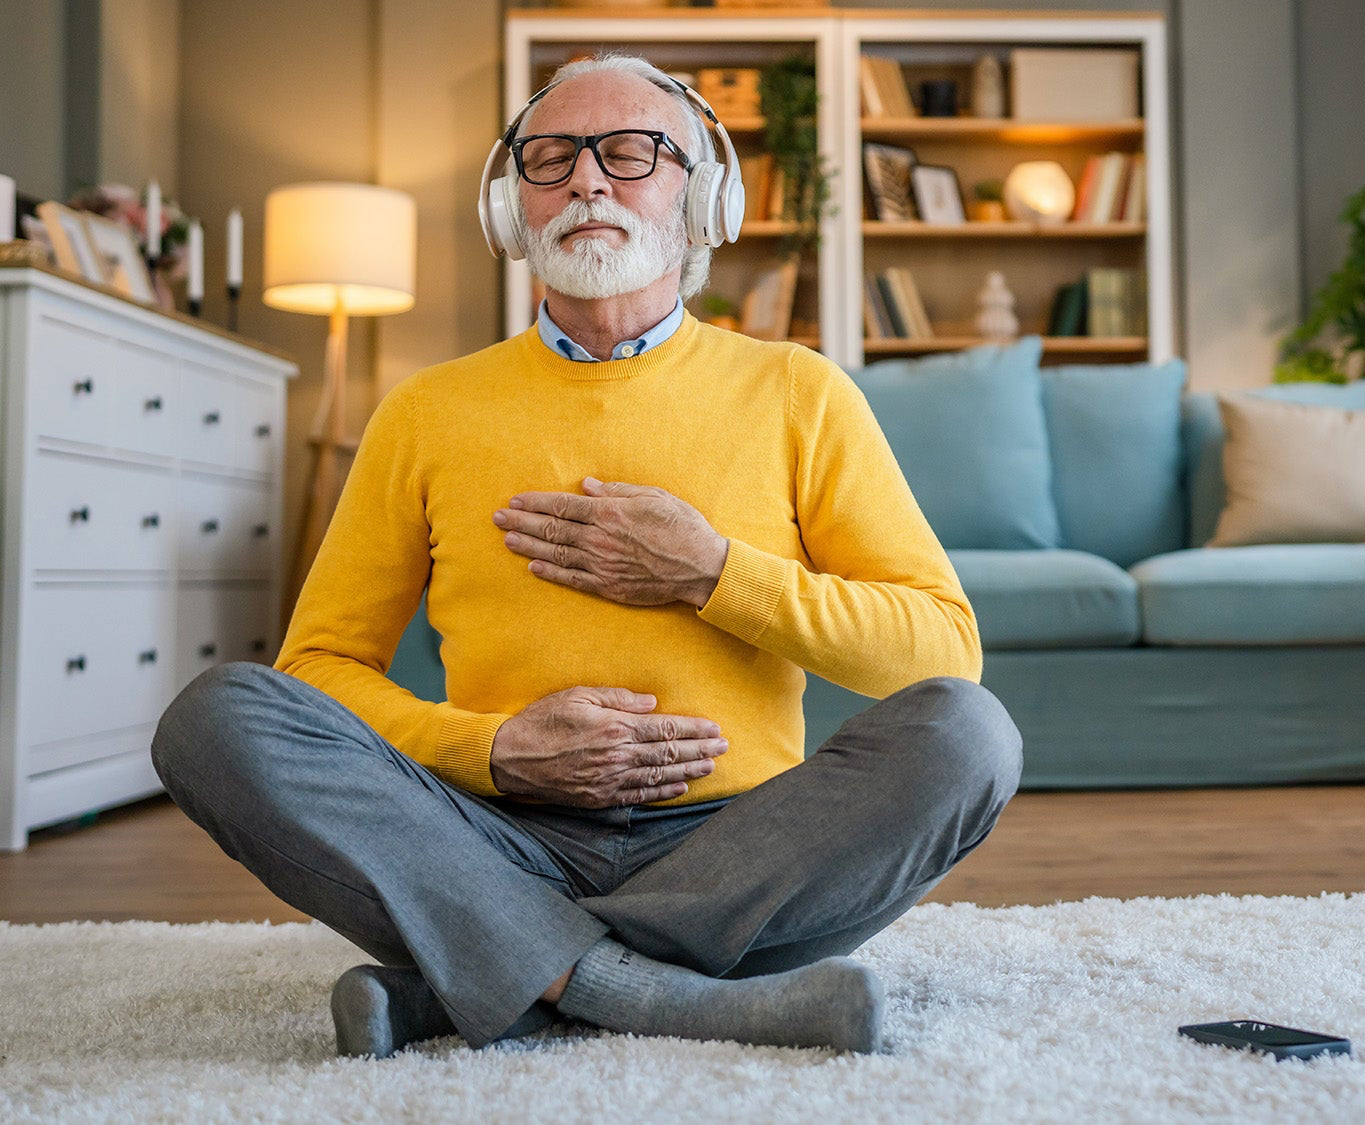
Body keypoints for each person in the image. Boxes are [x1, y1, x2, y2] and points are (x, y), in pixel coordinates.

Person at [151, 54, 1022, 1061]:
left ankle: (497, 973)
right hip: (493, 839)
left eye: (631, 153)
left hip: (742, 848)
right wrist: (493, 750)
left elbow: (940, 651)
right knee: (216, 717)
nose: (588, 181)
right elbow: (317, 671)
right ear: (512, 206)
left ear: (706, 197)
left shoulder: (799, 392)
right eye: (551, 158)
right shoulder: (425, 413)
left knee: (969, 735)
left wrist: (710, 574)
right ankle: (658, 992)